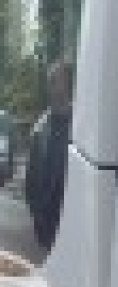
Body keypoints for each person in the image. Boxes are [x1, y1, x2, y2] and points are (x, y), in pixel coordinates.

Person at [25, 59, 73, 251]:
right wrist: (35, 210)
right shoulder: (41, 125)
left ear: (68, 83)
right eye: (49, 81)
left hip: (71, 220)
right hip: (46, 222)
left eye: (55, 80)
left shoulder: (81, 124)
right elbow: (32, 172)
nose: (50, 86)